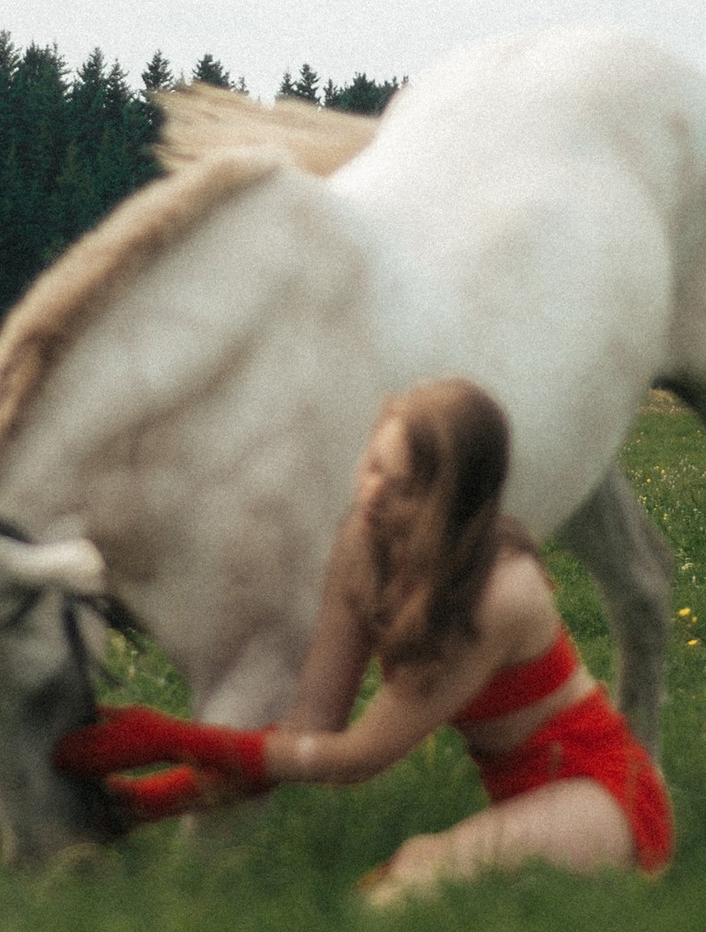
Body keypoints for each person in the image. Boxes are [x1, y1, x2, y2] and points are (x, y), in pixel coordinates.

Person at [54, 377, 672, 900]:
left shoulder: (498, 594)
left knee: (420, 876)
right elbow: (309, 732)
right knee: (411, 878)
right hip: (519, 791)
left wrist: (163, 738)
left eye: (402, 488)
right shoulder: (364, 546)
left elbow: (355, 759)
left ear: (451, 503)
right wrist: (145, 801)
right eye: (373, 465)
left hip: (599, 791)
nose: (372, 495)